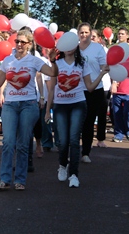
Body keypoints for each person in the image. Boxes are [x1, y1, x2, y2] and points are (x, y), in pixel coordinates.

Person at [0, 29, 58, 191]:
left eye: (23, 42)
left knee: (22, 143)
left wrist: (53, 61)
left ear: (29, 44)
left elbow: (53, 73)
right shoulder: (7, 61)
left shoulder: (34, 61)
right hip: (10, 105)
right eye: (17, 42)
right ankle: (4, 179)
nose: (19, 44)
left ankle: (20, 179)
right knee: (7, 142)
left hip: (28, 104)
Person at [45, 45, 108, 188]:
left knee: (74, 140)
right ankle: (62, 165)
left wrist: (101, 74)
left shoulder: (82, 64)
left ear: (75, 47)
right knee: (62, 140)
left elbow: (90, 87)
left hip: (78, 104)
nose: (68, 48)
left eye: (71, 45)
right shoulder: (57, 63)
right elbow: (52, 88)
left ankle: (74, 175)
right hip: (60, 106)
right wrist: (48, 110)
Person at [78, 22, 109, 162]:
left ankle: (85, 153)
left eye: (86, 32)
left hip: (95, 89)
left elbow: (104, 66)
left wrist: (104, 70)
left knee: (89, 122)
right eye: (81, 32)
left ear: (91, 33)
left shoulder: (98, 48)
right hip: (77, 89)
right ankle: (71, 150)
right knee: (77, 121)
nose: (84, 35)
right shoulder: (74, 48)